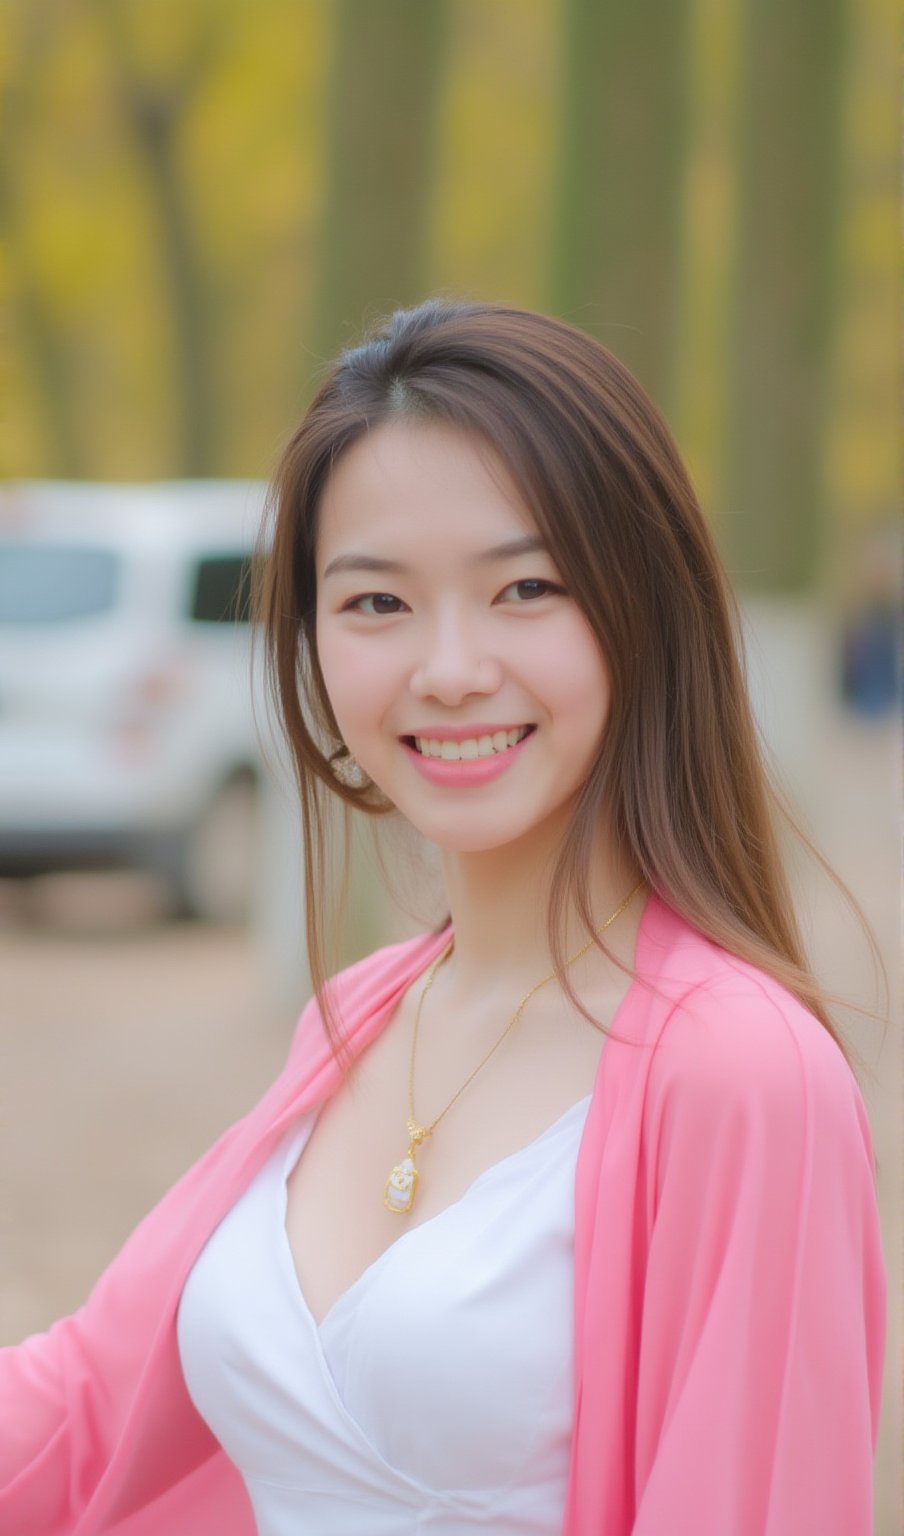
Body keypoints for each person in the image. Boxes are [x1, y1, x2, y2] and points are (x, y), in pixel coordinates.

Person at [1, 300, 886, 1535]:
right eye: (376, 604)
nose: (450, 667)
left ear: (649, 612)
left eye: (525, 588)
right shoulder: (361, 1015)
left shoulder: (740, 1076)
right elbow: (81, 1408)